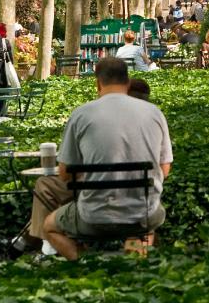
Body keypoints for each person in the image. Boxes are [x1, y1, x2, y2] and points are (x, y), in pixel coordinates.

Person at [42, 58, 173, 260]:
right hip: (141, 214)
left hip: (93, 216)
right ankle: (134, 262)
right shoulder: (154, 113)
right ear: (128, 82)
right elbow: (164, 169)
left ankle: (87, 264)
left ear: (97, 83)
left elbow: (65, 173)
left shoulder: (81, 115)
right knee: (148, 219)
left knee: (50, 226)